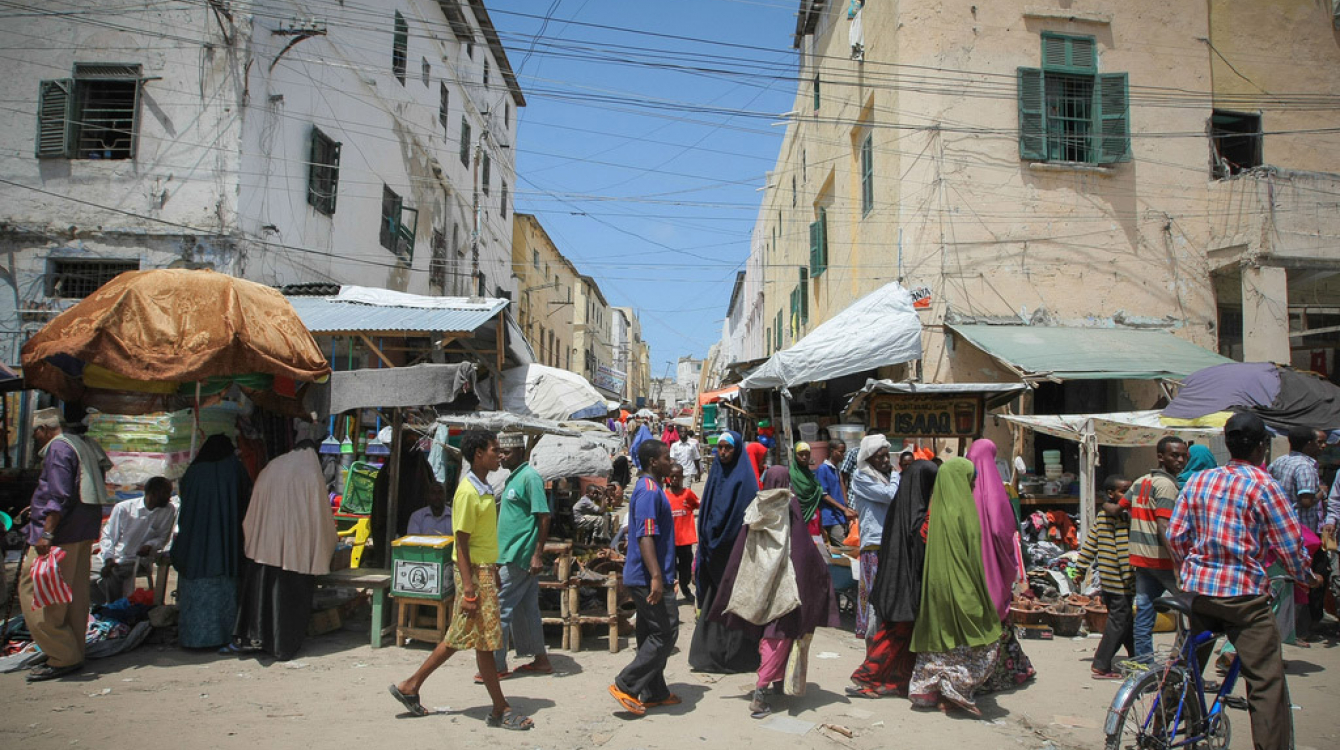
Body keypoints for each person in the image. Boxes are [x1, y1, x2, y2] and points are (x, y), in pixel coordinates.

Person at [1168, 413, 1321, 750]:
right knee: (1266, 682)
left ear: (1227, 443)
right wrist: (1304, 577)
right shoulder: (1264, 485)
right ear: (1262, 447)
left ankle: (1163, 725)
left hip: (1197, 591)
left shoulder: (1198, 481)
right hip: (1244, 599)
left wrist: (1189, 570)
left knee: (1184, 664)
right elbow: (1289, 546)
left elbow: (1176, 535)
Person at [388, 430, 533, 731]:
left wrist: (492, 570)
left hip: (484, 571)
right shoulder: (467, 492)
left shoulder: (482, 487)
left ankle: (410, 685)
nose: (500, 455)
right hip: (472, 574)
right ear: (479, 454)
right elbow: (462, 543)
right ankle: (500, 708)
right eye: (495, 450)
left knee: (469, 638)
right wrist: (469, 587)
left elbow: (481, 539)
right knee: (484, 640)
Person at [709, 465, 839, 718]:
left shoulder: (756, 508)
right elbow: (803, 550)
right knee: (779, 634)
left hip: (761, 583)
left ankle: (778, 683)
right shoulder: (790, 507)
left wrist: (733, 582)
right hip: (785, 585)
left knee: (771, 634)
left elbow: (742, 550)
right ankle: (760, 694)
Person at [19, 408, 109, 682]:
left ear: (44, 429)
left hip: (62, 534)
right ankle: (72, 651)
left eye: (36, 432)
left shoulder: (59, 448)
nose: (36, 438)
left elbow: (59, 495)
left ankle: (63, 655)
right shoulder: (83, 444)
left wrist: (47, 534)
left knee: (39, 592)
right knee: (74, 596)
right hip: (82, 531)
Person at [908, 458, 1002, 716]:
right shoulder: (961, 510)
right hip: (958, 584)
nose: (972, 485)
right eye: (969, 481)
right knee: (979, 633)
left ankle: (935, 691)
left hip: (935, 586)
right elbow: (968, 558)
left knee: (941, 637)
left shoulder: (935, 508)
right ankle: (955, 692)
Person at [232, 441, 338, 661]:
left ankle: (258, 639)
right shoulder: (310, 473)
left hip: (265, 545)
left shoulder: (272, 466)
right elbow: (320, 516)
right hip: (295, 550)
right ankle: (282, 645)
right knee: (287, 600)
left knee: (263, 596)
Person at [850, 460, 937, 698]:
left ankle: (897, 682)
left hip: (894, 584)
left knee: (903, 636)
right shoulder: (919, 516)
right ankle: (866, 678)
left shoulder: (900, 510)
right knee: (893, 635)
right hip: (904, 588)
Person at [609, 438, 680, 716]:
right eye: (666, 458)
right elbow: (646, 535)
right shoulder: (650, 491)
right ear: (653, 462)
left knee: (650, 631)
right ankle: (626, 685)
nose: (670, 462)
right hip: (646, 575)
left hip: (643, 573)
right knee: (665, 631)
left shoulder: (649, 487)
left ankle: (655, 691)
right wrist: (656, 577)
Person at [689, 431, 762, 673]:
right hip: (713, 552)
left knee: (735, 601)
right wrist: (709, 542)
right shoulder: (714, 476)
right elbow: (708, 512)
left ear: (737, 449)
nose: (723, 453)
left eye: (727, 448)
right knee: (714, 601)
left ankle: (737, 657)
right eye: (719, 448)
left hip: (737, 555)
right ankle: (710, 656)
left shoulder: (745, 479)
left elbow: (746, 518)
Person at [967, 439, 1036, 694]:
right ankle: (1002, 671)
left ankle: (973, 672)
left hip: (970, 563)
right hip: (992, 563)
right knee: (997, 614)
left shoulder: (961, 485)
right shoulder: (995, 487)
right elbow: (1001, 528)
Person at [173, 434, 251, 650]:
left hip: (195, 544)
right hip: (226, 542)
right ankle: (225, 635)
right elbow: (245, 501)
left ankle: (194, 638)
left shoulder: (194, 472)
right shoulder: (234, 469)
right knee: (225, 590)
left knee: (195, 592)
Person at [490, 433, 553, 679]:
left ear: (519, 451)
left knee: (499, 607)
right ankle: (541, 659)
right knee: (528, 609)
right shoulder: (512, 479)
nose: (502, 457)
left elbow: (544, 516)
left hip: (520, 556)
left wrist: (538, 554)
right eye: (500, 452)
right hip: (509, 554)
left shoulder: (530, 478)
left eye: (506, 452)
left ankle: (496, 665)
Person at [1124, 435, 1189, 659]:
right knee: (1190, 611)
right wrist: (1178, 563)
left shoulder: (1140, 481)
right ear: (1161, 457)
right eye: (1175, 455)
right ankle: (1181, 661)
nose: (1181, 460)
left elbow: (1119, 506)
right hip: (1162, 560)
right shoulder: (1167, 486)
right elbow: (1164, 525)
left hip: (1141, 559)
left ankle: (1144, 664)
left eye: (1183, 455)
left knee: (1144, 614)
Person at [1268, 425, 1329, 642]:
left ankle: (1289, 631)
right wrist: (1321, 492)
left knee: (1285, 584)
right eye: (1319, 442)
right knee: (1305, 582)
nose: (1323, 446)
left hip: (1279, 532)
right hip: (1301, 533)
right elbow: (1305, 501)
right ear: (1308, 444)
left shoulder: (1279, 462)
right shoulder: (1304, 467)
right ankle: (1299, 631)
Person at [1074, 476, 1136, 679]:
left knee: (1125, 621)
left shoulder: (1106, 515)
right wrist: (1080, 569)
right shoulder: (1120, 517)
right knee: (1119, 621)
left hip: (1111, 580)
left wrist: (1081, 569)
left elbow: (1090, 543)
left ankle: (1138, 658)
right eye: (1124, 490)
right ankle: (1101, 663)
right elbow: (1118, 550)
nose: (1129, 494)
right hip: (1119, 580)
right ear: (1111, 494)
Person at [848, 435, 899, 639]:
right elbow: (889, 495)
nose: (886, 461)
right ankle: (871, 637)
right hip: (873, 543)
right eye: (881, 457)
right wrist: (896, 476)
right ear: (869, 459)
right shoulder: (862, 477)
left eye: (887, 456)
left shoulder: (883, 477)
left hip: (887, 542)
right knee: (871, 595)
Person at [96, 476, 176, 604]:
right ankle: (102, 608)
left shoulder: (168, 510)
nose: (169, 496)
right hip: (114, 555)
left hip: (138, 560)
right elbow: (108, 537)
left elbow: (162, 538)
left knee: (114, 575)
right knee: (88, 576)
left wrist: (150, 545)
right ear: (152, 493)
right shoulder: (123, 508)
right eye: (165, 493)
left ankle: (115, 608)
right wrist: (109, 558)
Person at [664, 462, 700, 601]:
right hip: (670, 540)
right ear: (668, 477)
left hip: (685, 539)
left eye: (677, 476)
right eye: (672, 476)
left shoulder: (688, 494)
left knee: (685, 567)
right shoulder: (664, 496)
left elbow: (698, 504)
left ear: (682, 477)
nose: (674, 479)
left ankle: (685, 588)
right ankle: (672, 592)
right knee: (671, 567)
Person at [815, 440, 855, 544]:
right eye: (841, 452)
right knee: (842, 546)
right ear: (832, 451)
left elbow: (841, 490)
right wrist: (843, 508)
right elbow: (824, 495)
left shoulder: (836, 469)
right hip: (831, 516)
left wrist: (847, 508)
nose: (843, 455)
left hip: (840, 515)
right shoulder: (823, 469)